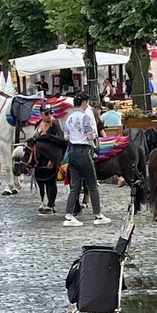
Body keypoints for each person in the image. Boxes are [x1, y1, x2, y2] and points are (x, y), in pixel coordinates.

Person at [62, 91, 109, 227]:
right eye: (87, 102)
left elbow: (66, 137)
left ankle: (69, 215)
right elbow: (89, 137)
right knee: (92, 184)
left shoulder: (69, 118)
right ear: (83, 103)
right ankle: (98, 215)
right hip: (84, 151)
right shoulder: (85, 118)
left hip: (72, 152)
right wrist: (93, 134)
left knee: (75, 186)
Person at [32, 105, 63, 215]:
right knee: (40, 180)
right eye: (46, 113)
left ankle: (51, 204)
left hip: (49, 158)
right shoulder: (38, 124)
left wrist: (53, 160)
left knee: (50, 181)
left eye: (51, 113)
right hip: (38, 158)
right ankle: (42, 201)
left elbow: (61, 140)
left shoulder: (55, 124)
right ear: (41, 114)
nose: (49, 116)